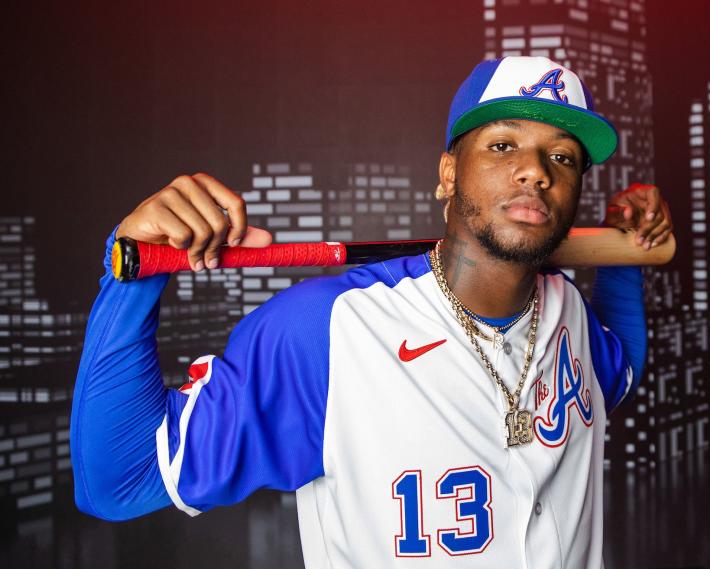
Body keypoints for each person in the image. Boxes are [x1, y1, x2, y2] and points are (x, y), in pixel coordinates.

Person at [71, 56, 673, 568]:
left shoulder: (567, 309)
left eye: (562, 157)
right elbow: (120, 481)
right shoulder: (330, 331)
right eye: (503, 144)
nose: (535, 171)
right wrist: (132, 280)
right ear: (447, 174)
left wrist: (624, 254)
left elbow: (615, 374)